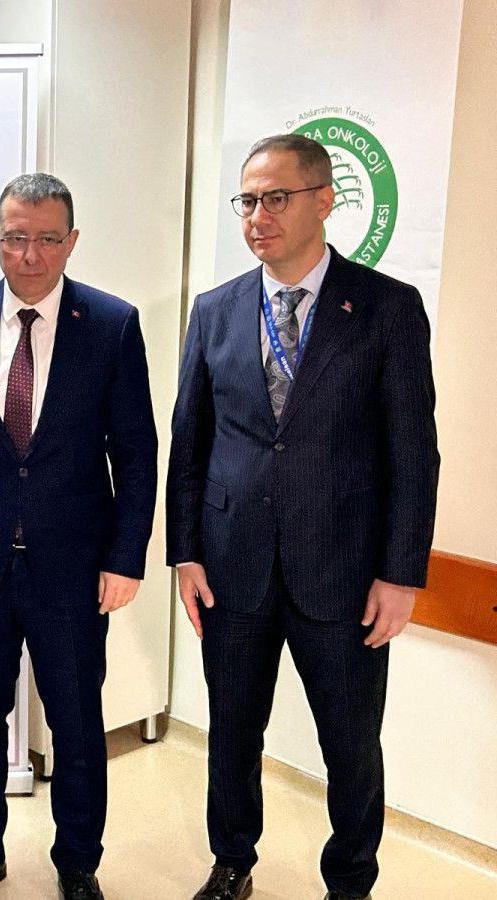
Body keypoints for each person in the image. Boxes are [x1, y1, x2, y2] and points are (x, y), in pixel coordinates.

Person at [166, 133, 439, 900]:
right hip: (233, 568)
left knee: (350, 747)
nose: (258, 215)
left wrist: (401, 574)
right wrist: (186, 552)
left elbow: (413, 453)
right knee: (232, 734)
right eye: (248, 200)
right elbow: (190, 442)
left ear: (323, 200)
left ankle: (350, 882)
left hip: (345, 574)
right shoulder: (215, 310)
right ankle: (232, 863)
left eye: (276, 198)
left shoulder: (386, 308)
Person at [0, 173, 158, 900]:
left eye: (48, 239)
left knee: (77, 725)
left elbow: (136, 453)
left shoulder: (111, 323)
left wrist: (126, 556)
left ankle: (78, 863)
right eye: (16, 238)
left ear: (72, 241)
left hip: (74, 567)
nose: (31, 255)